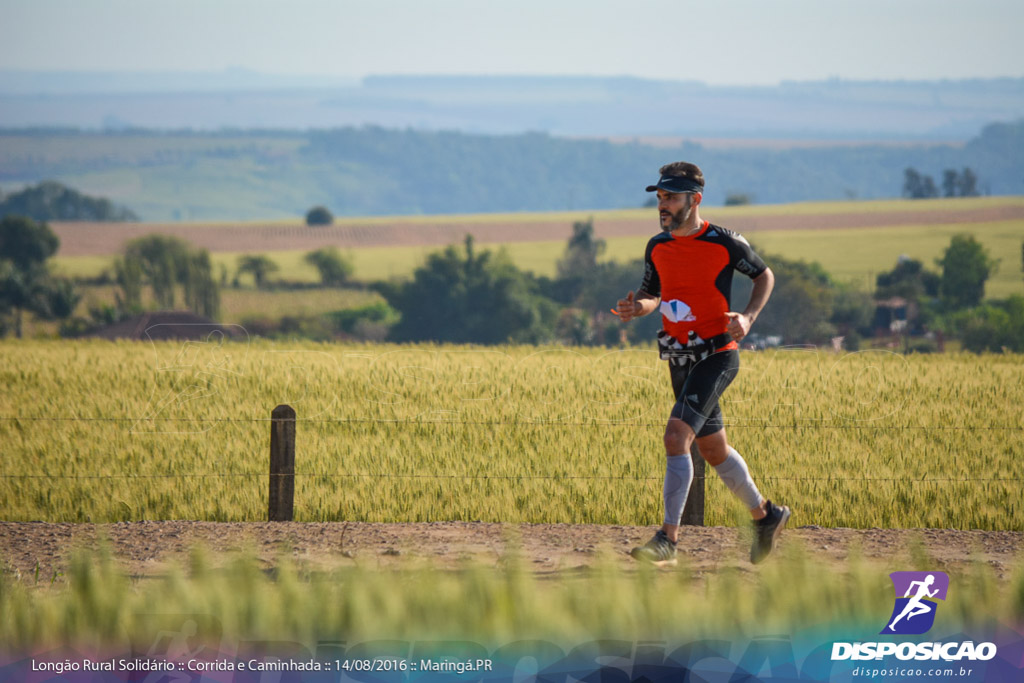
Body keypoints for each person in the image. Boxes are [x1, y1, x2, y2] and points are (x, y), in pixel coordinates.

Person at [616, 161, 790, 566]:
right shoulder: (657, 246)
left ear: (694, 200)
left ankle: (668, 540)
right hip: (678, 358)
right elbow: (651, 293)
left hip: (717, 355)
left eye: (671, 197)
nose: (663, 205)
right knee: (714, 450)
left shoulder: (725, 242)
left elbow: (765, 276)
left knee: (677, 437)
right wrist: (635, 308)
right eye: (660, 197)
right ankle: (766, 516)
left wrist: (746, 317)